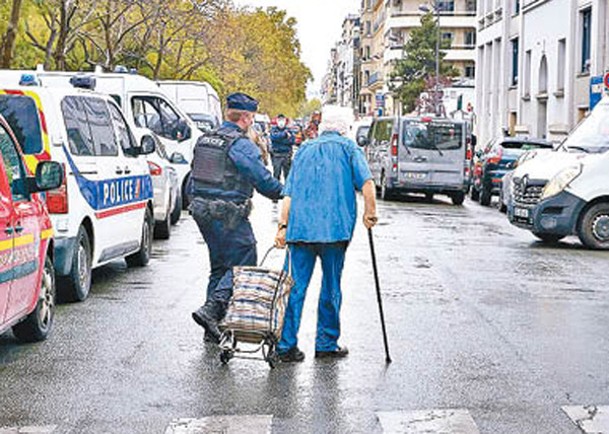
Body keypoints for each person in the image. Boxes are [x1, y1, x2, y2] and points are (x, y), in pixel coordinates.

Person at [274, 107, 378, 363]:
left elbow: (289, 193)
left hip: (300, 230)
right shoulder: (349, 148)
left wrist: (283, 226)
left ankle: (286, 345)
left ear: (322, 129)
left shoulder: (305, 150)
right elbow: (367, 183)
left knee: (293, 288)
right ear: (344, 129)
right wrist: (370, 213)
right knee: (331, 286)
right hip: (334, 230)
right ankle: (326, 343)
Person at [190, 92, 283, 343]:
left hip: (202, 212)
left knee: (219, 267)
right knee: (244, 260)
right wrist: (284, 192)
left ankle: (212, 327)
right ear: (245, 117)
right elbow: (260, 178)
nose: (252, 121)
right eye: (251, 117)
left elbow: (193, 176)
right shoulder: (239, 144)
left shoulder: (205, 140)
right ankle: (213, 309)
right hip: (228, 213)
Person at [270, 114, 295, 182]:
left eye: (283, 120)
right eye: (279, 120)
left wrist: (280, 140)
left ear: (285, 121)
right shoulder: (273, 130)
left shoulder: (289, 130)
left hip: (287, 155)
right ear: (277, 121)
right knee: (276, 174)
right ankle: (275, 191)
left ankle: (287, 191)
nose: (281, 122)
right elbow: (274, 137)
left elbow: (292, 141)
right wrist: (284, 135)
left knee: (287, 176)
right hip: (277, 155)